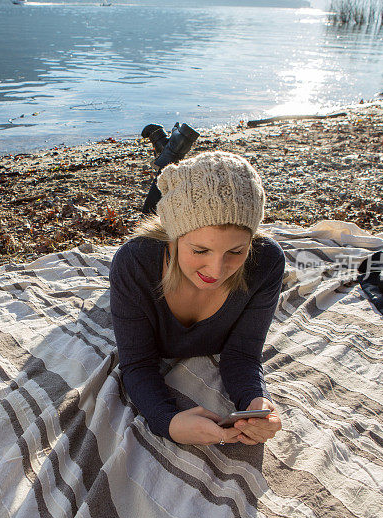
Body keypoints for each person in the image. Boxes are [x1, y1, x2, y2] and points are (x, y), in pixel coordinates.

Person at [109, 151, 285, 446]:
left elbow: (243, 354)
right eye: (200, 251)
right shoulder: (134, 264)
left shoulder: (266, 263)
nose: (216, 271)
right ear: (174, 237)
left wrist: (257, 401)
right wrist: (169, 421)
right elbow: (138, 363)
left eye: (235, 252)